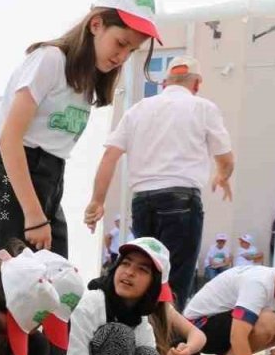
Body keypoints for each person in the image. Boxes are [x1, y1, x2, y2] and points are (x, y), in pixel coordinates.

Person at [0, 0, 159, 259]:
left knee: (56, 280)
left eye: (131, 51)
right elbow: (9, 138)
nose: (122, 57)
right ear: (96, 24)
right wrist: (34, 215)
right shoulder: (50, 60)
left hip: (51, 179)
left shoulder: (87, 79)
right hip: (10, 179)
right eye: (121, 43)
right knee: (4, 279)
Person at [85, 56, 235, 310]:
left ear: (164, 83)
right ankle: (169, 344)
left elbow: (110, 156)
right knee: (174, 280)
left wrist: (97, 201)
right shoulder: (202, 107)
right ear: (197, 84)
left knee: (146, 274)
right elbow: (226, 158)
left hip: (142, 201)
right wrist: (222, 174)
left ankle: (141, 338)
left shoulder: (138, 109)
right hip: (181, 201)